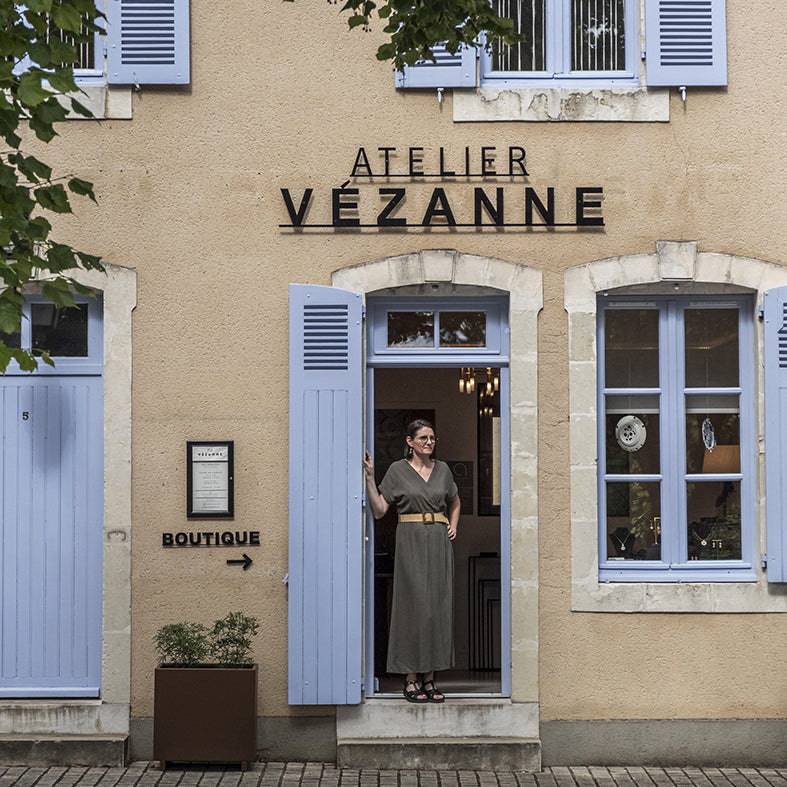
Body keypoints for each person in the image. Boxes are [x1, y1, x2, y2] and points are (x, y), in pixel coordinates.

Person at [363, 419, 460, 703]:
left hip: (439, 542)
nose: (429, 442)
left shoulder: (442, 470)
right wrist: (369, 478)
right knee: (413, 607)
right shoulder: (397, 470)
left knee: (437, 608)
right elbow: (380, 510)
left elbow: (454, 500)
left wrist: (453, 524)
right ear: (410, 441)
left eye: (432, 438)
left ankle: (430, 679)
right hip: (410, 540)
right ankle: (410, 679)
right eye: (423, 438)